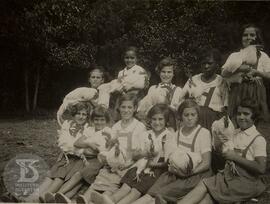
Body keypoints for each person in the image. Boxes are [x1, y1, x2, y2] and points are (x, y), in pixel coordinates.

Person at [177, 98, 267, 204]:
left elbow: (261, 168)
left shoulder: (258, 139)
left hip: (245, 182)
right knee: (206, 199)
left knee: (205, 185)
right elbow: (225, 155)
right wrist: (218, 144)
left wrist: (235, 157)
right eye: (239, 114)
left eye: (246, 114)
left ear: (255, 117)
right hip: (229, 176)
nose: (241, 117)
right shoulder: (234, 132)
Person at [92, 104, 176, 204]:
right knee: (125, 187)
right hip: (139, 166)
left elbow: (168, 162)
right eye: (154, 119)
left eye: (160, 119)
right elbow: (135, 154)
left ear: (166, 121)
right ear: (150, 120)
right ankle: (111, 200)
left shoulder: (169, 136)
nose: (157, 122)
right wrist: (143, 154)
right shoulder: (146, 134)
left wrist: (152, 164)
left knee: (135, 191)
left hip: (155, 170)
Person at [75, 93, 146, 204]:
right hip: (112, 162)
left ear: (135, 108)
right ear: (119, 108)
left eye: (129, 107)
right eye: (123, 107)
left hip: (128, 165)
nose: (126, 110)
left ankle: (98, 201)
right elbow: (109, 147)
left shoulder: (140, 127)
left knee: (111, 186)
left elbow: (141, 152)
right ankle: (81, 201)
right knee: (99, 181)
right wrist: (107, 154)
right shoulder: (116, 126)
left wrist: (128, 164)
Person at [147, 99, 212, 204]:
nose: (190, 118)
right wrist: (172, 167)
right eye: (186, 115)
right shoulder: (177, 133)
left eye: (193, 114)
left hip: (196, 173)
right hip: (176, 172)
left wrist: (188, 173)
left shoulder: (203, 133)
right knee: (151, 193)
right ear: (181, 116)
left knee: (161, 194)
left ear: (198, 116)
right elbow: (171, 157)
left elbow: (206, 163)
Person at [26, 102, 91, 203]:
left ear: (87, 116)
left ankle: (42, 198)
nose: (81, 117)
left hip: (79, 159)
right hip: (66, 157)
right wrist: (73, 146)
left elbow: (80, 147)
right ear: (74, 114)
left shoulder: (88, 128)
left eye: (84, 114)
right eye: (78, 113)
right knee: (51, 176)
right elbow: (62, 143)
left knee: (60, 177)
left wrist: (73, 146)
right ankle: (31, 198)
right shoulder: (67, 124)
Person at [50, 106, 112, 203]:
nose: (99, 122)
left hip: (97, 161)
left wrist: (94, 148)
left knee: (79, 175)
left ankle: (59, 194)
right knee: (77, 176)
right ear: (92, 120)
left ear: (107, 120)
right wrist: (89, 144)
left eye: (102, 120)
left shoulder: (107, 132)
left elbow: (102, 150)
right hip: (85, 158)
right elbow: (77, 143)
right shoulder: (90, 130)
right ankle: (61, 197)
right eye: (96, 120)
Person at [222, 24, 270, 122]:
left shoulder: (263, 56)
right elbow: (224, 73)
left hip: (256, 92)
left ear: (257, 37)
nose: (249, 38)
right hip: (238, 90)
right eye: (245, 35)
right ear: (241, 38)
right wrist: (239, 68)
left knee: (253, 118)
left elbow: (269, 74)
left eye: (252, 35)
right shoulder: (235, 55)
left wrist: (257, 72)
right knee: (235, 117)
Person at [181, 48, 227, 130]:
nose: (206, 66)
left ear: (216, 64)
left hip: (213, 120)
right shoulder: (193, 80)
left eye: (210, 63)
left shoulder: (222, 81)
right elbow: (181, 99)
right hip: (193, 118)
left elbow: (226, 106)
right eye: (203, 63)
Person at [98, 46, 149, 114]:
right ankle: (102, 107)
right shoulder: (121, 72)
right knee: (105, 87)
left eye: (132, 58)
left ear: (137, 59)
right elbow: (118, 84)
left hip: (135, 97)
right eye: (127, 58)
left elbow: (143, 84)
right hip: (122, 95)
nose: (129, 60)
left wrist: (131, 86)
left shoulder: (140, 70)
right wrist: (118, 90)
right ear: (124, 58)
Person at [137, 57, 182, 127]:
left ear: (173, 74)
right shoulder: (153, 89)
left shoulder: (178, 90)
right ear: (159, 73)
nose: (166, 75)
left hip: (171, 125)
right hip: (155, 124)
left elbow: (180, 112)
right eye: (163, 72)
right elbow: (142, 108)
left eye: (169, 72)